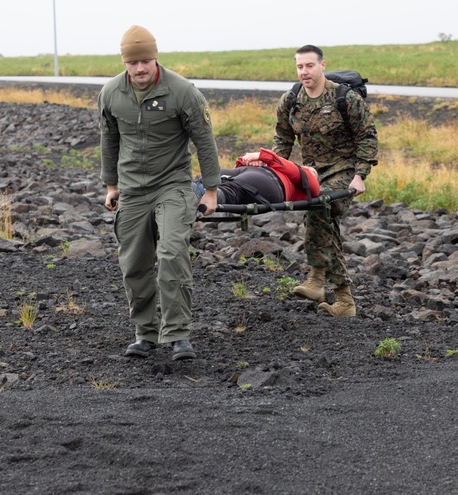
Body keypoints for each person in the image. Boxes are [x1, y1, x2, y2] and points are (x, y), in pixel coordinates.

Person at [98, 25, 221, 362]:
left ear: (156, 58)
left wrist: (210, 190)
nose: (140, 69)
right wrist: (111, 185)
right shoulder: (111, 93)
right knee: (134, 263)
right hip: (133, 190)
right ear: (124, 62)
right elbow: (109, 140)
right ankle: (145, 334)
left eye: (146, 61)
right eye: (133, 63)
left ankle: (178, 335)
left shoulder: (182, 92)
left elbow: (204, 141)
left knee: (171, 254)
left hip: (173, 186)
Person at [273, 45, 378, 317]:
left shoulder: (344, 97)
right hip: (311, 172)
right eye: (299, 67)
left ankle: (336, 293)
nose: (304, 72)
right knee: (317, 218)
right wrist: (273, 172)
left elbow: (367, 136)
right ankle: (323, 286)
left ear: (322, 65)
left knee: (319, 210)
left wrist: (360, 176)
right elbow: (283, 140)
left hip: (343, 170)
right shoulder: (291, 99)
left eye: (309, 66)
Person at [192, 148, 321, 206]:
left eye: (313, 172)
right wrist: (251, 161)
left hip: (272, 183)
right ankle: (187, 190)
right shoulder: (281, 166)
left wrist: (263, 156)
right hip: (250, 172)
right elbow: (238, 166)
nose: (310, 169)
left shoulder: (305, 180)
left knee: (234, 188)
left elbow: (298, 173)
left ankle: (201, 194)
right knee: (212, 177)